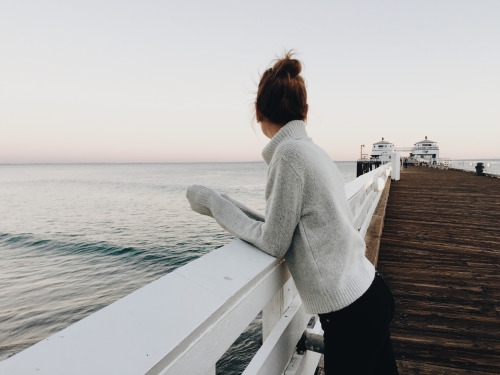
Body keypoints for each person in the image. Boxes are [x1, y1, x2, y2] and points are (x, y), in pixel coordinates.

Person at [186, 51, 398, 374]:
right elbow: (281, 225)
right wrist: (225, 201)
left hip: (350, 314)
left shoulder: (288, 156)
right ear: (305, 112)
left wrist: (215, 205)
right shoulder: (314, 152)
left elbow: (273, 241)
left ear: (258, 113)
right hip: (370, 294)